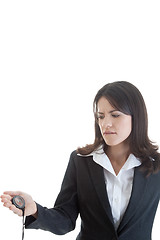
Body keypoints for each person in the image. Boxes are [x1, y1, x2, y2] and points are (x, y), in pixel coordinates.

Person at [1, 81, 160, 240]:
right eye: (100, 116)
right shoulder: (81, 161)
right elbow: (65, 219)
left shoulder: (156, 165)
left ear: (136, 116)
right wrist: (35, 210)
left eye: (115, 115)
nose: (105, 124)